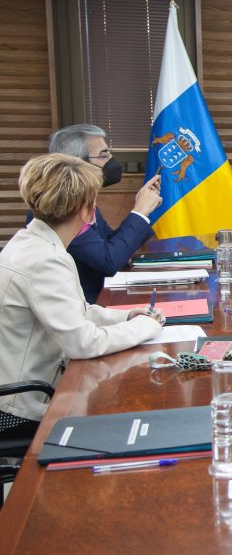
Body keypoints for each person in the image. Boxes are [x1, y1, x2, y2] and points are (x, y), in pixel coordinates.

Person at [0, 154, 165, 438]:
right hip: (21, 409)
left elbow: (76, 311)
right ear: (87, 212)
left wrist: (125, 316)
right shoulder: (46, 260)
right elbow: (82, 343)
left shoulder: (30, 241)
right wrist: (145, 327)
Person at [35, 124, 163, 303]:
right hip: (82, 309)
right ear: (76, 162)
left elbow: (112, 244)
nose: (111, 160)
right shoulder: (59, 209)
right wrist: (139, 212)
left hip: (100, 301)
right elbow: (109, 261)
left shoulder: (83, 200)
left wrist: (143, 209)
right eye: (104, 155)